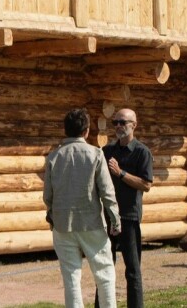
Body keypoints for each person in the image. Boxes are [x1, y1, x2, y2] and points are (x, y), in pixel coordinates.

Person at [46, 108, 121, 308]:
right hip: (92, 223)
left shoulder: (53, 157)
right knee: (105, 274)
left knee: (71, 278)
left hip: (63, 225)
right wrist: (115, 219)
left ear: (65, 130)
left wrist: (52, 217)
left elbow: (48, 196)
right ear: (86, 131)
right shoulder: (96, 154)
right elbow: (107, 192)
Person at [98, 108, 152, 308]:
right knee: (104, 267)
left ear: (134, 125)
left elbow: (146, 184)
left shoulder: (141, 152)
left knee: (132, 270)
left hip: (129, 217)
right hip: (107, 218)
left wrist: (121, 173)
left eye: (123, 122)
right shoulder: (107, 151)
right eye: (115, 123)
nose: (119, 126)